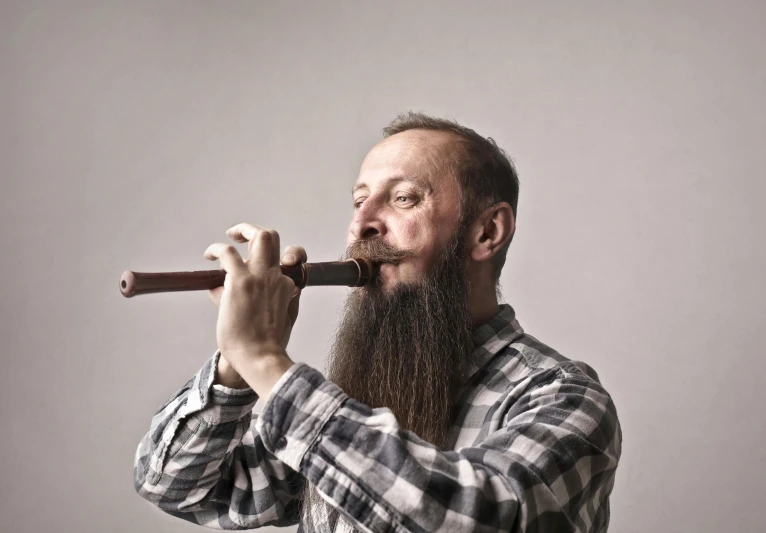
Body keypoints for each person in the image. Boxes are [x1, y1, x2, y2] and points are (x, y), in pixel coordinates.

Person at [133, 113, 622, 533]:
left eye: (404, 198)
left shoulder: (563, 398)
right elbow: (179, 486)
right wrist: (236, 365)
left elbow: (476, 519)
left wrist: (265, 360)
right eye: (358, 200)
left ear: (486, 232)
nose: (361, 224)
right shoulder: (359, 396)